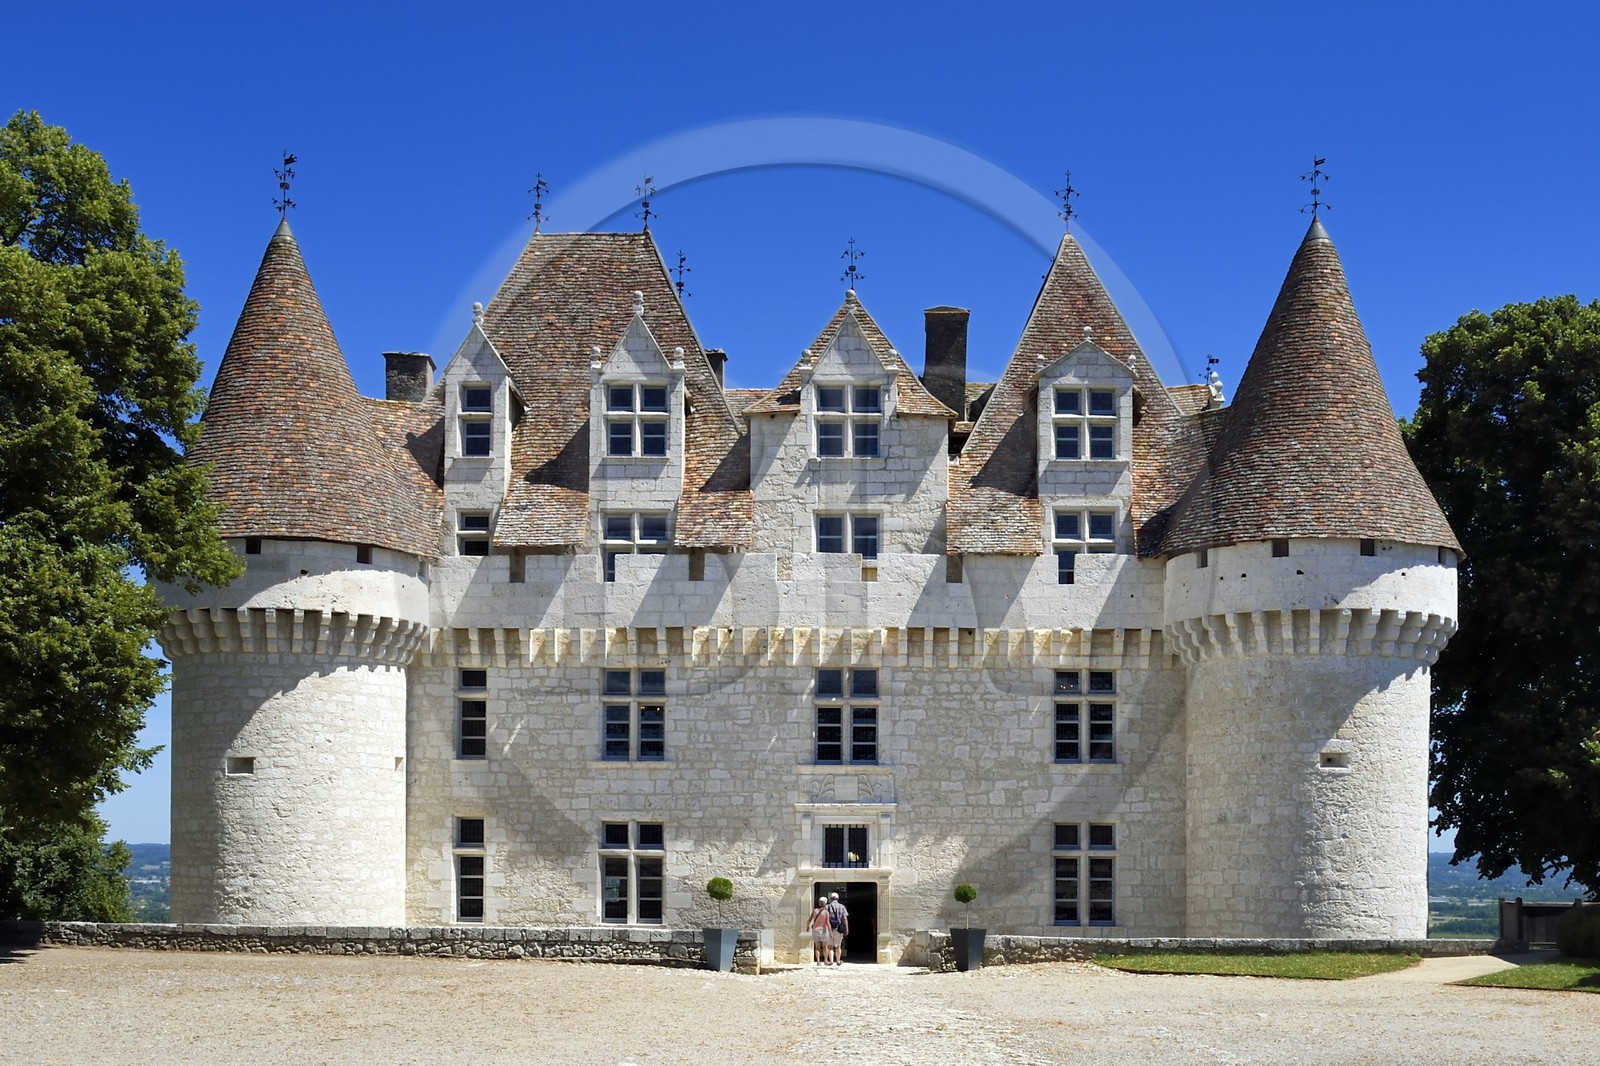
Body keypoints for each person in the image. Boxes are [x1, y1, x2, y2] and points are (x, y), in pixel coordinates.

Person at [825, 891, 849, 966]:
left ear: (830, 899)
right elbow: (844, 918)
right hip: (838, 928)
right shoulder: (842, 906)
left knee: (830, 946)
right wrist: (846, 928)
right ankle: (838, 961)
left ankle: (831, 961)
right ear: (838, 898)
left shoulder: (827, 907)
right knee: (838, 946)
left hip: (829, 929)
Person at [807, 896, 830, 964]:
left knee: (817, 947)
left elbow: (809, 920)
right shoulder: (826, 912)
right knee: (825, 946)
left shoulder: (815, 911)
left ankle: (818, 961)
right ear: (825, 903)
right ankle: (825, 960)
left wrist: (807, 927)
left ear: (819, 903)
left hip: (815, 930)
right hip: (823, 930)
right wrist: (830, 931)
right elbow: (827, 923)